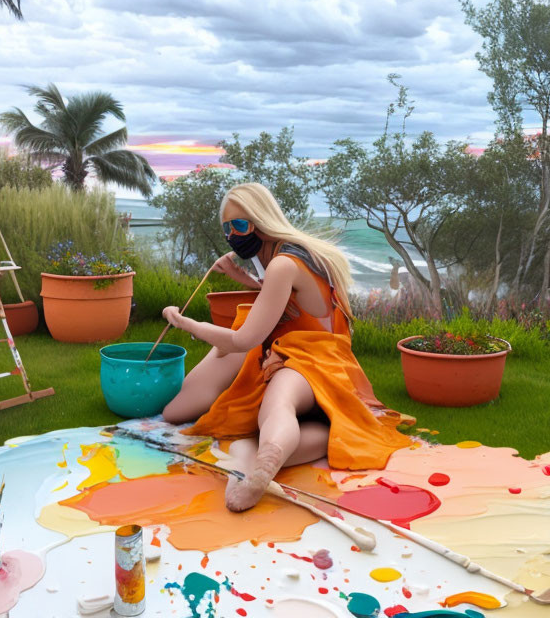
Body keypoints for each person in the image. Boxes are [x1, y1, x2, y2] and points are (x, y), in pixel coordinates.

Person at [161, 182, 412, 512]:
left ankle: (265, 463)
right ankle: (317, 435)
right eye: (227, 228)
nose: (233, 235)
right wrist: (243, 277)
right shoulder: (297, 255)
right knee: (195, 414)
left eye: (240, 225)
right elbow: (284, 297)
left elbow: (242, 339)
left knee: (275, 407)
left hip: (310, 359)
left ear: (261, 221)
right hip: (305, 354)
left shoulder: (282, 264)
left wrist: (186, 324)